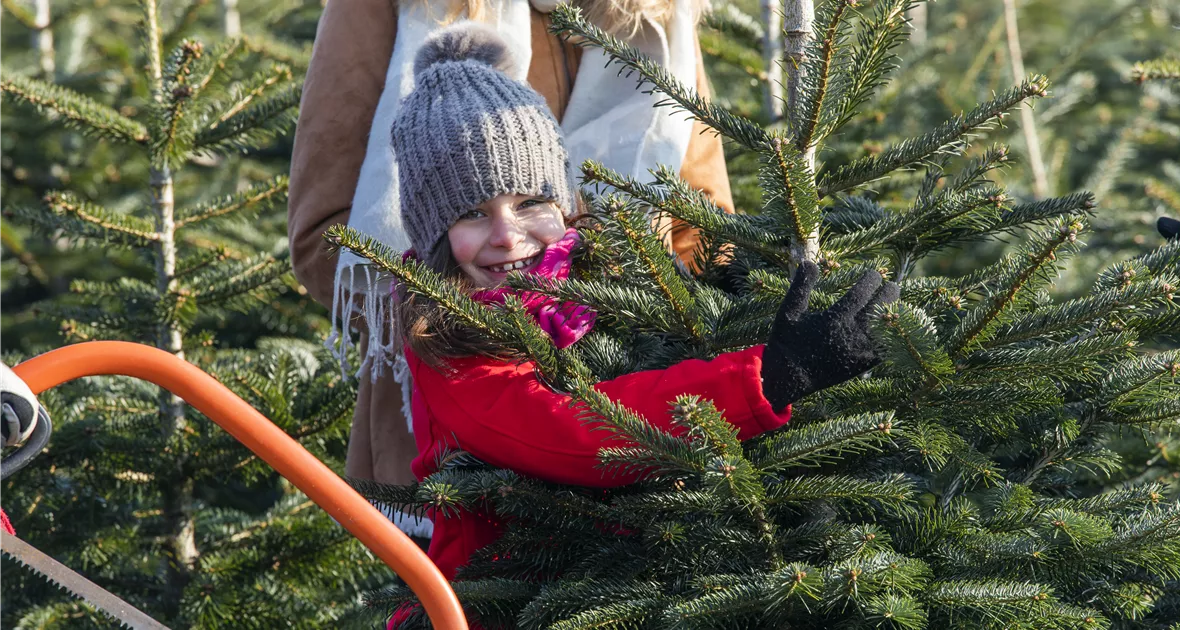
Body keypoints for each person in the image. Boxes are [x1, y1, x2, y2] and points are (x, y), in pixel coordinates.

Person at [380, 24, 899, 618]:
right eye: (472, 214)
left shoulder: (605, 270)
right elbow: (570, 432)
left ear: (561, 201)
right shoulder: (449, 342)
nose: (507, 235)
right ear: (433, 235)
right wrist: (769, 375)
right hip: (501, 603)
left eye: (529, 203)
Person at [287, 0, 738, 505]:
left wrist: (646, 325)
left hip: (645, 400)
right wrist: (469, 337)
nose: (507, 232)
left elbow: (702, 223)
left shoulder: (656, 12)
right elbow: (324, 236)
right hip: (450, 454)